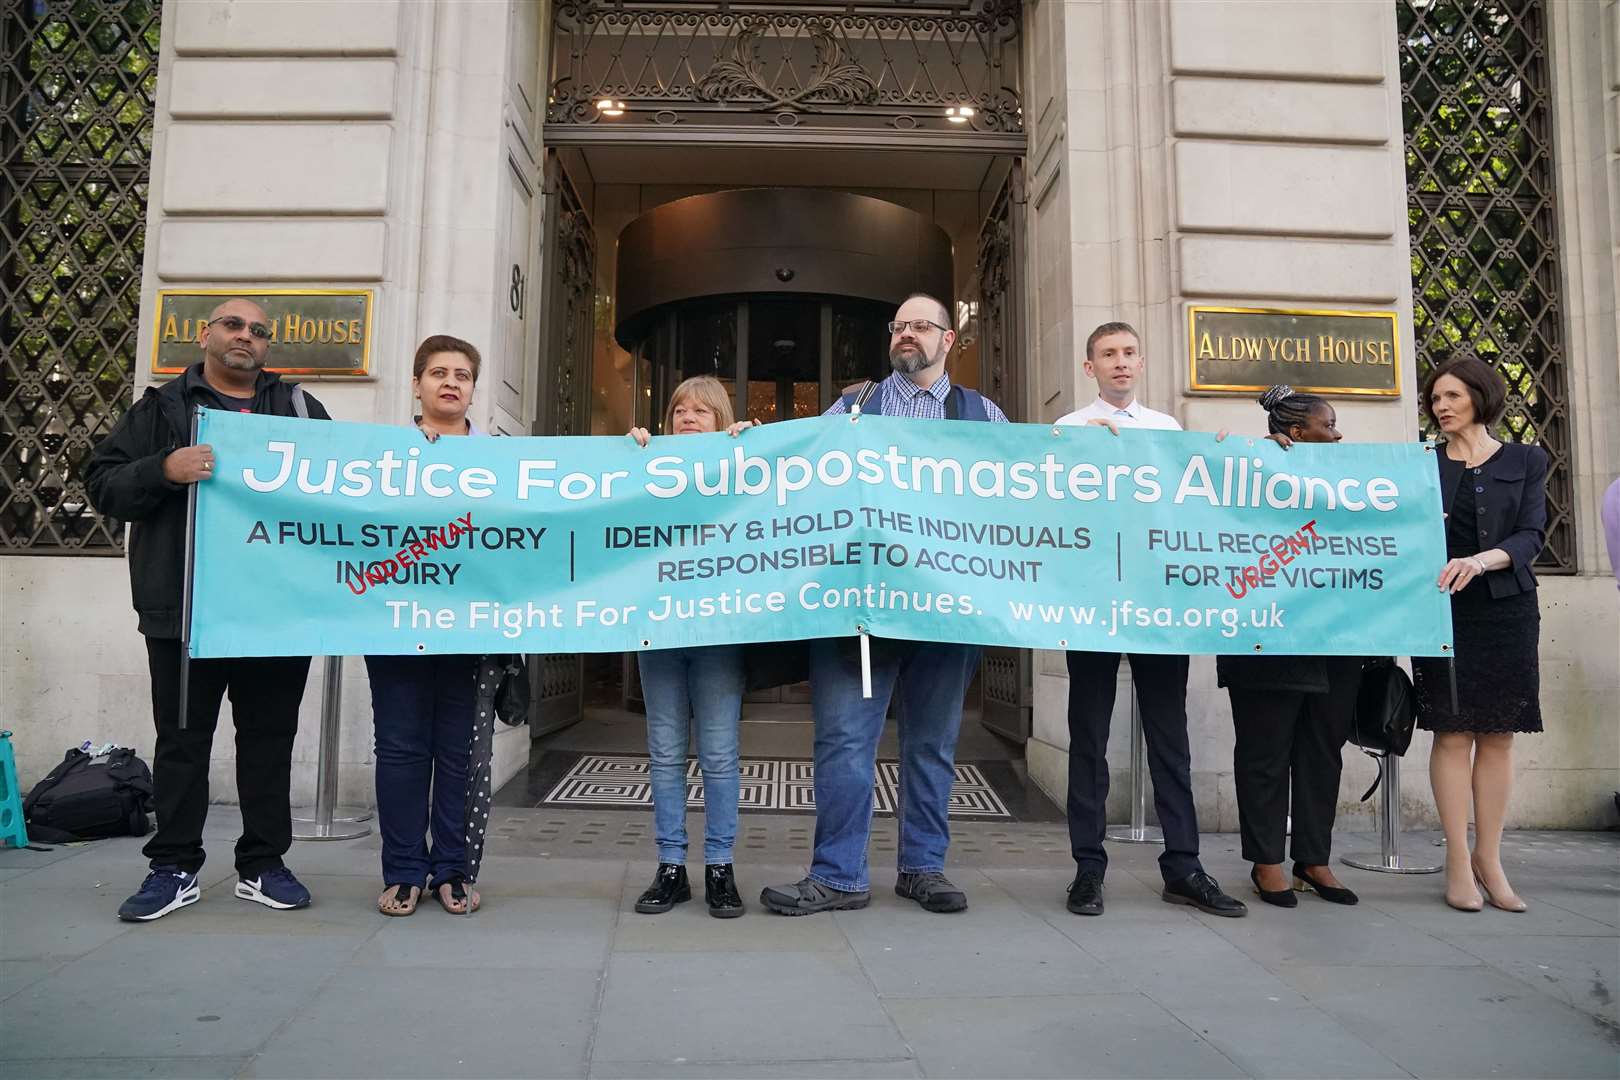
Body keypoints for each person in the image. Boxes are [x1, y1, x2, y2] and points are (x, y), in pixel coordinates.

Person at [761, 293, 1008, 917]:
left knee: (933, 743)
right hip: (859, 609)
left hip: (947, 609)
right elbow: (802, 477)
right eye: (899, 326)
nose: (907, 335)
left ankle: (923, 868)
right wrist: (744, 446)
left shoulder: (986, 416)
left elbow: (1019, 499)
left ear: (948, 340)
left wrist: (1103, 453)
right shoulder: (852, 407)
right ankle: (838, 875)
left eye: (922, 326)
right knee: (844, 740)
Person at [87, 298, 332, 921]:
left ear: (268, 347)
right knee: (182, 742)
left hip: (275, 611)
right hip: (187, 609)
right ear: (205, 335)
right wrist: (163, 468)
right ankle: (172, 867)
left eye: (258, 330)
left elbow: (341, 490)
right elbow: (103, 484)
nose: (245, 336)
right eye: (232, 325)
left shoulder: (299, 409)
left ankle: (264, 864)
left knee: (270, 742)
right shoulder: (162, 409)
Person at [1053, 320, 1246, 918]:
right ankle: (1088, 867)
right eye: (1108, 354)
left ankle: (1184, 866)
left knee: (1171, 737)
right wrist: (1084, 444)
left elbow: (1190, 506)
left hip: (1159, 603)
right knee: (1087, 735)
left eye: (1130, 353)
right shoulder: (1066, 429)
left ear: (1142, 361)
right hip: (1092, 602)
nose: (1120, 363)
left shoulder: (1167, 430)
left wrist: (1224, 458)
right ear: (1090, 368)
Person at [1411, 356, 1548, 913]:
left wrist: (1483, 559)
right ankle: (1456, 860)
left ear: (1480, 396)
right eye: (1435, 399)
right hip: (1442, 613)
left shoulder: (1526, 459)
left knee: (1498, 735)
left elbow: (1532, 534)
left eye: (1452, 397)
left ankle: (1490, 858)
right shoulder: (1423, 463)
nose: (1441, 406)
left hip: (1506, 612)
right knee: (1450, 733)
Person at [1216, 386, 1360, 908]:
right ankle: (1266, 861)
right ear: (1298, 433)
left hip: (1336, 640)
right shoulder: (1247, 474)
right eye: (1329, 424)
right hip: (1267, 638)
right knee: (1264, 754)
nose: (1338, 434)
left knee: (1323, 750)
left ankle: (1313, 858)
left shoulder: (1350, 481)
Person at [365, 335, 489, 917]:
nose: (450, 382)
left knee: (457, 750)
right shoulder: (381, 454)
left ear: (472, 389)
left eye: (462, 375)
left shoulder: (500, 459)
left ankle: (454, 869)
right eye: (438, 372)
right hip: (395, 620)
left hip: (468, 627)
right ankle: (404, 870)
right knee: (399, 749)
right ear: (416, 384)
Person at [627, 376, 758, 917]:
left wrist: (756, 448)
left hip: (718, 632)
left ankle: (721, 868)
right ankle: (672, 867)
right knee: (664, 751)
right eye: (679, 408)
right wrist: (625, 457)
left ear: (720, 416)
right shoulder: (642, 463)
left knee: (720, 753)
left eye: (702, 411)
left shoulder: (741, 464)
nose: (687, 417)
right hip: (657, 627)